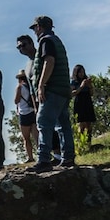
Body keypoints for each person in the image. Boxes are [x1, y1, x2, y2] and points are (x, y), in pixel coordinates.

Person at [27, 15, 74, 172]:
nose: (34, 32)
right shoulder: (56, 40)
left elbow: (49, 61)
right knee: (63, 125)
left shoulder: (45, 40)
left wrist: (41, 85)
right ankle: (68, 158)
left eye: (34, 28)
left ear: (39, 27)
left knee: (44, 123)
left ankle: (44, 160)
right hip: (63, 89)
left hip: (52, 89)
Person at [15, 34, 60, 161]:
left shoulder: (40, 56)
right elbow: (31, 87)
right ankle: (49, 155)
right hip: (38, 100)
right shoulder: (28, 64)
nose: (21, 49)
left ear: (31, 43)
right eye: (18, 47)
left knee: (53, 126)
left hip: (49, 94)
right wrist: (35, 106)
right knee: (43, 128)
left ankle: (58, 154)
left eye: (23, 45)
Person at [14, 71, 36, 162]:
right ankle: (43, 156)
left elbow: (16, 100)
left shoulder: (20, 87)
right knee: (37, 137)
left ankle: (30, 157)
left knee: (26, 138)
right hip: (32, 112)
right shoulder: (31, 87)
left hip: (24, 113)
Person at [71, 64, 97, 140]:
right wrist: (81, 86)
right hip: (79, 102)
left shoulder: (86, 80)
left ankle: (89, 141)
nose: (81, 74)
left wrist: (90, 86)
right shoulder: (74, 82)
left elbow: (91, 93)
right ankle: (81, 142)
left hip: (87, 101)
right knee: (81, 124)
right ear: (76, 73)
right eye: (80, 72)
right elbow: (73, 93)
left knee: (89, 123)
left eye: (83, 72)